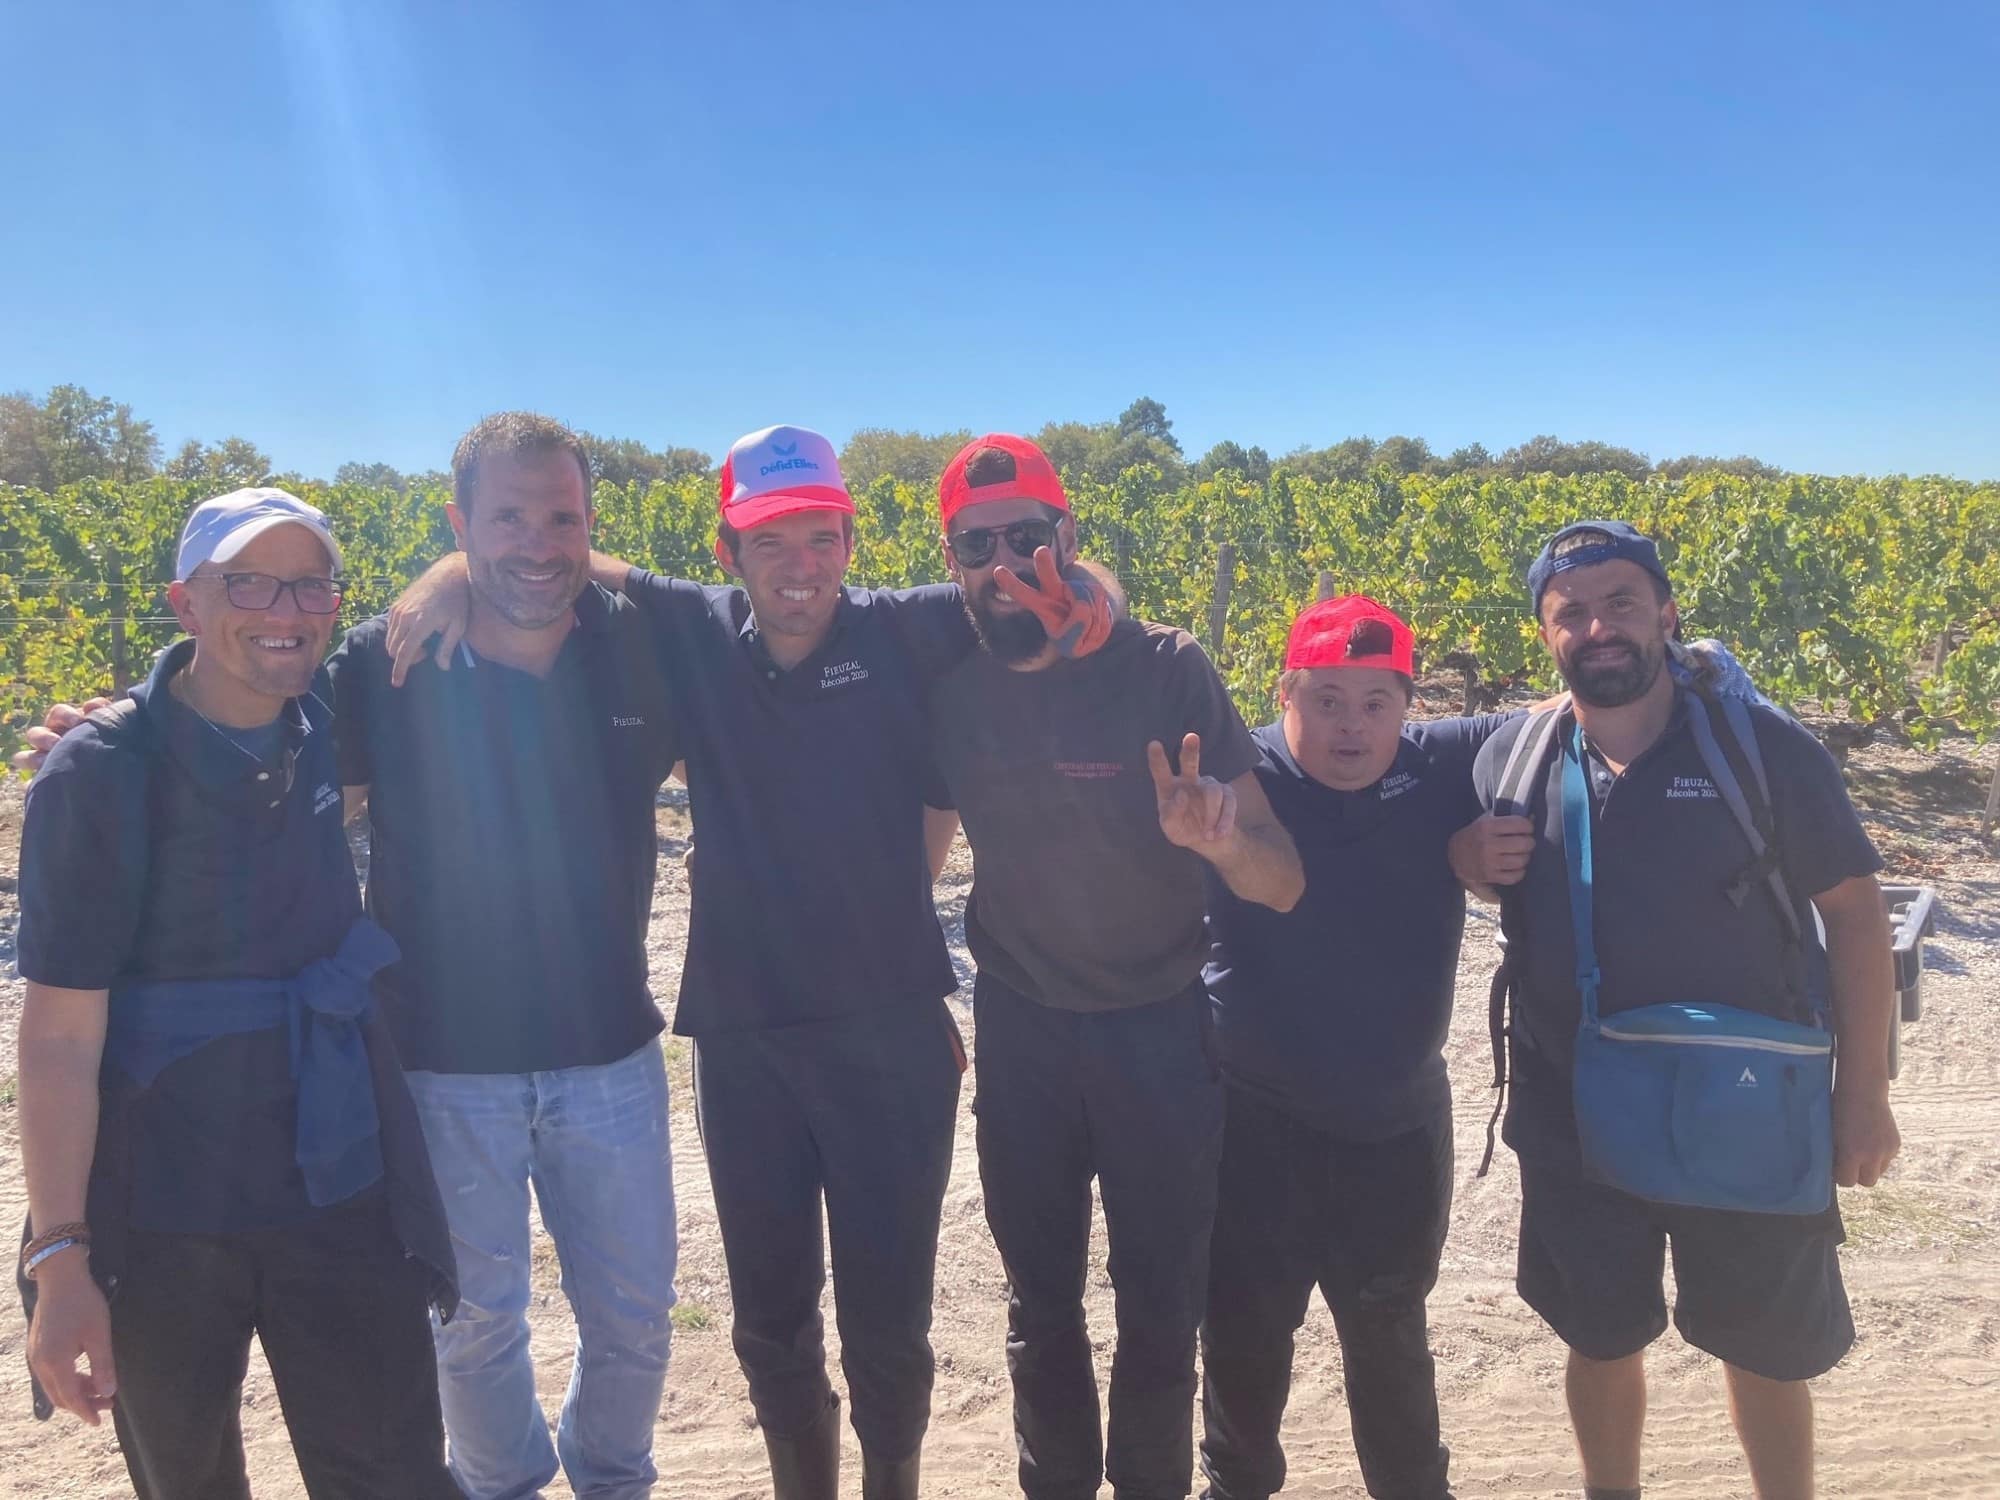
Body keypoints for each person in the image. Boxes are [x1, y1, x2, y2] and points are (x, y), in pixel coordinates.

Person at [381, 422, 1114, 1500]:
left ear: (850, 542)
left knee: (888, 1329)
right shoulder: (687, 628)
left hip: (891, 1041)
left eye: (820, 538)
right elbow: (556, 555)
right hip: (742, 1042)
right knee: (769, 1327)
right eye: (770, 542)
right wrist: (450, 572)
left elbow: (1056, 577)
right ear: (728, 552)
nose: (799, 566)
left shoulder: (909, 629)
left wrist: (1094, 586)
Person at [14, 488, 460, 1499]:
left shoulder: (324, 726)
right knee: (190, 1477)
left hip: (336, 1179)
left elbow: (500, 560)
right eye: (247, 581)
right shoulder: (101, 771)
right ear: (183, 603)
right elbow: (58, 1040)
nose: (284, 608)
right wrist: (59, 1259)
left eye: (310, 584)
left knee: (390, 1471)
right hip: (163, 1206)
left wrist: (449, 563)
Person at [1455, 520, 1902, 1500]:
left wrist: (1861, 1098)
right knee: (1600, 1333)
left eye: (1619, 602)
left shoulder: (1760, 750)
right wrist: (1463, 866)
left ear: (1664, 612)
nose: (1597, 626)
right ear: (1545, 636)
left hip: (1745, 1102)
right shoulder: (1513, 757)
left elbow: (1857, 920)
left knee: (1764, 1344)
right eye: (1569, 612)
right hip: (1572, 1110)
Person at [924, 434, 1305, 1500]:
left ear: (1069, 536)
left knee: (1158, 1307)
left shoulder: (1163, 668)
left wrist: (1218, 842)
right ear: (949, 556)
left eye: (1027, 537)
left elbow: (1278, 881)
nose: (1003, 564)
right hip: (1022, 1031)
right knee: (1036, 1306)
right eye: (975, 543)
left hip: (1157, 1032)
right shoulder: (944, 675)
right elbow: (914, 855)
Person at [331, 412, 683, 1500]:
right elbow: (282, 787)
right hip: (441, 1063)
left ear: (591, 526)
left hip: (610, 1055)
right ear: (458, 523)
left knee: (635, 1317)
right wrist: (104, 745)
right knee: (473, 1322)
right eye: (505, 520)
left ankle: (611, 1475)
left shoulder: (637, 647)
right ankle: (503, 1488)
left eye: (561, 518)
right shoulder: (383, 663)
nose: (538, 543)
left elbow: (738, 611)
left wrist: (452, 566)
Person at [1198, 594, 1520, 1500]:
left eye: (1377, 702)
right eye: (1327, 699)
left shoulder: (1447, 762)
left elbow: (1576, 709)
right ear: (1283, 693)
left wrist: (1696, 666)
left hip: (1397, 1128)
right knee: (1243, 1341)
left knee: (1391, 1342)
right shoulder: (1238, 774)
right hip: (1251, 1126)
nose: (1352, 725)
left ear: (1409, 706)